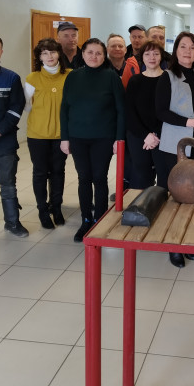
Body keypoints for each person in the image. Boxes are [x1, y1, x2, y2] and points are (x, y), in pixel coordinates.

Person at [155, 31, 194, 268]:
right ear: (176, 50)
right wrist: (191, 122)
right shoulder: (167, 76)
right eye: (183, 47)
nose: (188, 51)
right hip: (175, 145)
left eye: (192, 47)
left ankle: (188, 242)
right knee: (175, 197)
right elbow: (161, 111)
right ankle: (172, 245)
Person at [60, 38, 125, 242]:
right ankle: (86, 219)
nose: (94, 56)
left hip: (103, 137)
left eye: (98, 53)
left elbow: (121, 110)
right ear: (83, 54)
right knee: (84, 178)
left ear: (104, 56)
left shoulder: (111, 77)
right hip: (77, 137)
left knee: (99, 177)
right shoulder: (73, 77)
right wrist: (64, 138)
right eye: (90, 52)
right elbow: (64, 108)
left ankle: (100, 220)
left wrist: (119, 138)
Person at [24, 38, 71, 229]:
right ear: (39, 57)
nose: (49, 56)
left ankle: (56, 208)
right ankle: (43, 211)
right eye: (44, 53)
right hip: (37, 135)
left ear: (59, 53)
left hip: (61, 135)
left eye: (52, 52)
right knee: (40, 172)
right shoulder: (32, 78)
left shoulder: (69, 76)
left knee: (58, 171)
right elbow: (26, 105)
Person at [0, 32, 27, 237]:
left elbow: (16, 108)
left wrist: (0, 131)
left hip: (5, 140)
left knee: (8, 183)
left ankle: (12, 223)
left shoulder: (11, 77)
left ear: (2, 51)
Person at [125, 41, 165, 188]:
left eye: (156, 54)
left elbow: (171, 110)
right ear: (142, 57)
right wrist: (146, 135)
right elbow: (130, 112)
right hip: (139, 136)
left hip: (164, 135)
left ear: (161, 56)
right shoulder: (135, 81)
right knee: (141, 176)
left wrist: (156, 134)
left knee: (165, 177)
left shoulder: (169, 79)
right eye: (147, 54)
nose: (152, 57)